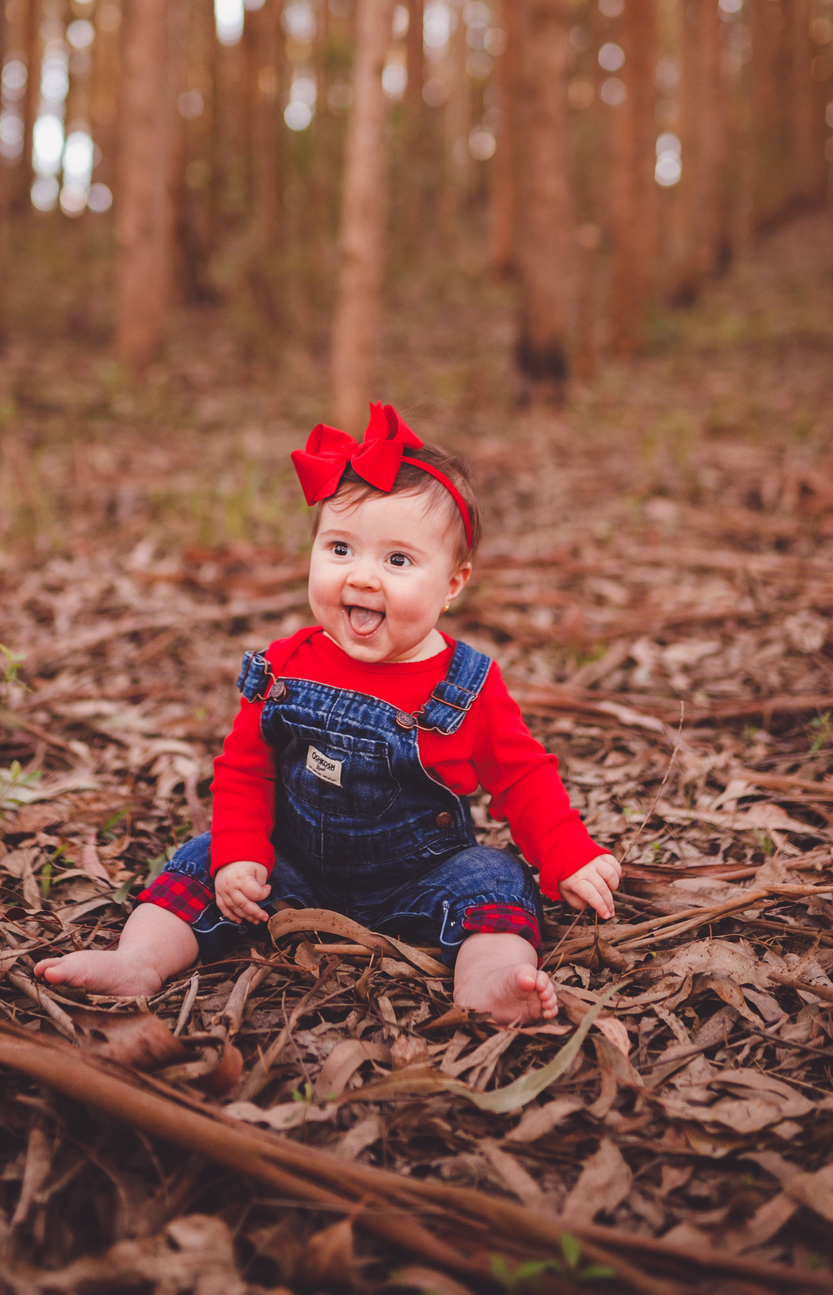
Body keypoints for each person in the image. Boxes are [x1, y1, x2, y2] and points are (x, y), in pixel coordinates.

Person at [37, 403, 620, 1022]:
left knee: (495, 880)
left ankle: (489, 982)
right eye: (340, 548)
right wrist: (241, 854)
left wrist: (568, 856)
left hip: (424, 877)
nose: (362, 577)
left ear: (453, 583)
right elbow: (245, 769)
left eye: (398, 561)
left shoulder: (466, 684)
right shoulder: (285, 665)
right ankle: (138, 960)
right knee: (198, 861)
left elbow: (521, 775)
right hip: (292, 873)